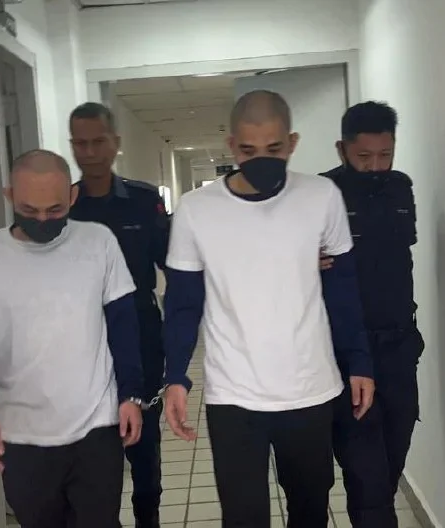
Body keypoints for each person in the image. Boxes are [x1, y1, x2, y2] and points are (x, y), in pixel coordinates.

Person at [161, 90, 375, 528]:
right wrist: (176, 376)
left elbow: (343, 289)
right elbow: (183, 303)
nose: (261, 159)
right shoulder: (196, 210)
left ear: (292, 143)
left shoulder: (321, 196)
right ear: (231, 146)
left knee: (310, 512)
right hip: (233, 395)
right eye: (248, 150)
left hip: (310, 388)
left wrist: (360, 361)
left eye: (274, 149)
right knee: (243, 518)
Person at [0, 149, 144, 528]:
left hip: (95, 426)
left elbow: (123, 325)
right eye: (29, 209)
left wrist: (130, 395)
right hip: (21, 435)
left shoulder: (98, 243)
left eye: (54, 210)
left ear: (72, 196)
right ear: (10, 196)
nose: (42, 219)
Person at [321, 101, 424, 527]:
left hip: (399, 349)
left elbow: (400, 256)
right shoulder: (321, 195)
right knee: (366, 476)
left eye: (386, 155)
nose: (376, 166)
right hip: (347, 354)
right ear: (342, 149)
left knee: (392, 464)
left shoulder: (401, 187)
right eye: (364, 156)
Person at [67, 102, 169, 528]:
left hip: (141, 337)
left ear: (116, 143)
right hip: (83, 341)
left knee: (144, 449)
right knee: (95, 451)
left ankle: (148, 519)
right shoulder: (64, 206)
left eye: (98, 141)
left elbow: (174, 264)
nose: (89, 152)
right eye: (80, 143)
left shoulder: (144, 202)